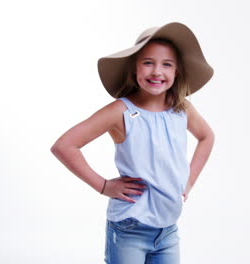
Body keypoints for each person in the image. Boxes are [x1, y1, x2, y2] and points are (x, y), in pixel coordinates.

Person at [51, 22, 215, 264]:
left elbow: (207, 137)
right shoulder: (121, 111)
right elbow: (64, 145)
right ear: (134, 68)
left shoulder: (181, 108)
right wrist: (104, 186)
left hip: (168, 230)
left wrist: (188, 181)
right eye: (148, 62)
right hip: (130, 228)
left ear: (177, 71)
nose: (157, 71)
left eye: (167, 64)